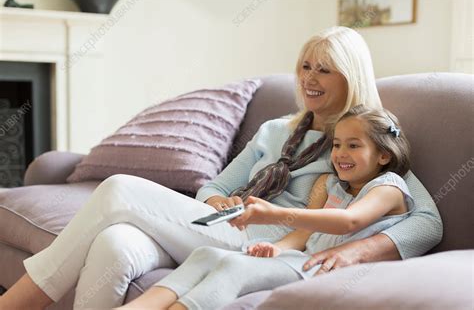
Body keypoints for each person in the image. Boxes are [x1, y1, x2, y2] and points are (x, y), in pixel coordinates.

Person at [0, 26, 442, 310]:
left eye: (324, 70)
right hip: (223, 224)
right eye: (305, 66)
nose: (309, 78)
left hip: (268, 241)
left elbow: (426, 219)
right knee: (114, 244)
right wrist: (217, 200)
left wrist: (359, 250)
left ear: (352, 76)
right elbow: (212, 186)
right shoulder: (274, 130)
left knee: (117, 189)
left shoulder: (361, 144)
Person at [121, 105, 417, 310]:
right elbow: (302, 235)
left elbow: (349, 221)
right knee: (205, 254)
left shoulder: (388, 188)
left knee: (234, 266)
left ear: (383, 155)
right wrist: (275, 248)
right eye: (337, 145)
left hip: (324, 269)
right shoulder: (329, 185)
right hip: (299, 259)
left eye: (354, 146)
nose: (340, 154)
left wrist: (273, 213)